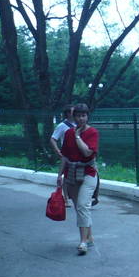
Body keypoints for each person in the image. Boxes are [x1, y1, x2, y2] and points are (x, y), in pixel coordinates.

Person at [57, 103, 99, 255]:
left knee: (82, 205)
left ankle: (83, 242)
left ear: (87, 117)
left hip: (88, 172)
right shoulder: (67, 133)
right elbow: (65, 156)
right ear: (74, 117)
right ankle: (90, 237)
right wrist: (59, 175)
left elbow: (87, 153)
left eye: (84, 115)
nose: (81, 118)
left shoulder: (92, 132)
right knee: (80, 207)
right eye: (78, 116)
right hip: (72, 173)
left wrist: (77, 136)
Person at [50, 105, 75, 206]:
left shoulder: (79, 123)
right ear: (68, 113)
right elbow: (53, 139)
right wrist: (58, 151)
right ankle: (65, 198)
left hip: (79, 153)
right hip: (67, 154)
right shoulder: (62, 126)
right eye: (74, 111)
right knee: (66, 176)